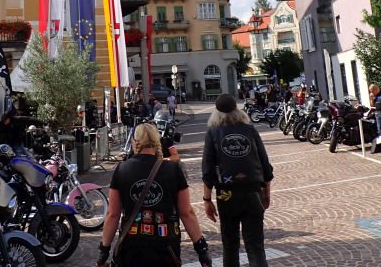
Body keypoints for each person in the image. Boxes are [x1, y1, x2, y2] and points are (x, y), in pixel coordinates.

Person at [96, 123, 212, 267]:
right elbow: (186, 213)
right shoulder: (173, 169)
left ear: (135, 142)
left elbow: (113, 214)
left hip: (131, 247)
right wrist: (201, 249)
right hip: (165, 247)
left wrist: (103, 253)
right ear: (157, 142)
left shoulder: (122, 169)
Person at [202, 94, 273, 267]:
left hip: (226, 194)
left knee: (230, 245)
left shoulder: (213, 132)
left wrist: (207, 199)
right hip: (252, 190)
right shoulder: (250, 130)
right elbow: (265, 165)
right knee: (255, 246)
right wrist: (266, 193)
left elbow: (208, 170)